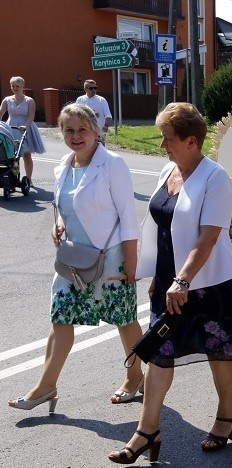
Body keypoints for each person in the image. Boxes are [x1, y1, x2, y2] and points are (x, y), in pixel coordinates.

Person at [109, 103, 232, 463]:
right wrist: (159, 276)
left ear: (192, 141)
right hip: (172, 283)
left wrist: (182, 279)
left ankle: (225, 416)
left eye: (168, 139)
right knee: (161, 353)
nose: (162, 145)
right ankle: (147, 432)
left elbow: (207, 237)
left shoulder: (215, 177)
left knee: (218, 353)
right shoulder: (168, 170)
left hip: (209, 283)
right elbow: (162, 229)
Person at [7, 104, 142, 413]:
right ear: (61, 132)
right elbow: (64, 209)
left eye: (83, 129)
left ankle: (135, 376)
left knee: (124, 320)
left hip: (111, 259)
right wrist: (58, 226)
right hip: (72, 258)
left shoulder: (113, 164)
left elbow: (128, 218)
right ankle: (46, 386)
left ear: (96, 131)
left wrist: (131, 265)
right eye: (69, 130)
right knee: (60, 316)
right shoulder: (63, 167)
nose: (76, 136)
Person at [0, 76, 46, 186]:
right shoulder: (7, 100)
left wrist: (25, 126)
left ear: (22, 86)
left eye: (17, 86)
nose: (15, 88)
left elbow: (31, 116)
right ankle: (13, 178)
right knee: (11, 155)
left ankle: (28, 179)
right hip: (11, 128)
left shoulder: (29, 101)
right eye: (13, 86)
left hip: (25, 127)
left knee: (26, 154)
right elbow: (1, 113)